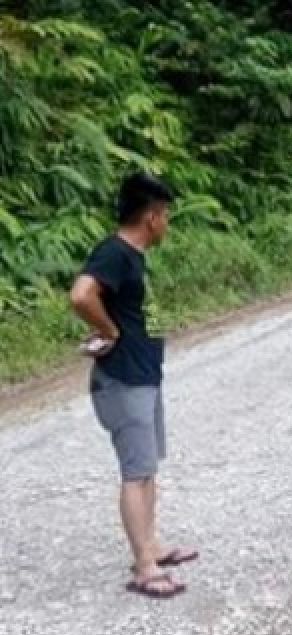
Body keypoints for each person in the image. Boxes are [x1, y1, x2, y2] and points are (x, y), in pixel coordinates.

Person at [69, 173, 196, 599]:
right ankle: (144, 567)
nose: (168, 225)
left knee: (147, 469)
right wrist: (108, 330)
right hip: (123, 379)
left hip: (142, 374)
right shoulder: (115, 253)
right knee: (135, 471)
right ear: (152, 218)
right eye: (166, 217)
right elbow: (81, 295)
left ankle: (151, 546)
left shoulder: (132, 255)